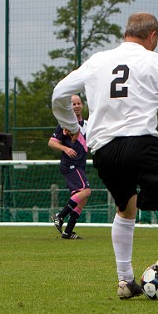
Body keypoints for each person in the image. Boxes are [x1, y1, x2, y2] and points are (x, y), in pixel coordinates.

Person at [51, 12, 158, 304]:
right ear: (152, 36)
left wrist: (74, 126)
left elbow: (59, 92)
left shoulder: (97, 61)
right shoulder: (156, 61)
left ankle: (125, 280)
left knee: (125, 209)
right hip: (141, 144)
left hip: (103, 151)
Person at [48, 94, 91, 239]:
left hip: (79, 165)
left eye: (79, 103)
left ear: (82, 105)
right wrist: (65, 149)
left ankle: (67, 232)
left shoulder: (86, 125)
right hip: (71, 164)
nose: (77, 106)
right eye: (73, 104)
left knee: (82, 198)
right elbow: (52, 142)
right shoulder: (65, 124)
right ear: (69, 107)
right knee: (85, 192)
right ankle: (59, 217)